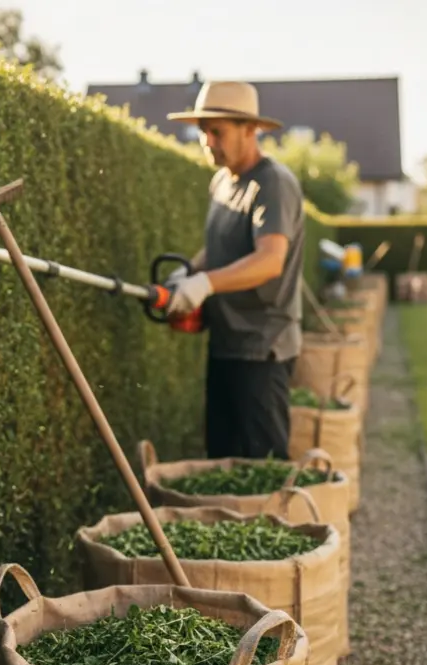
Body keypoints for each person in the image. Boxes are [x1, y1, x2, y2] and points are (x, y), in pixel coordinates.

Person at [162, 81, 307, 460]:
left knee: (261, 467)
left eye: (217, 131)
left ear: (250, 129)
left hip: (262, 349)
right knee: (221, 461)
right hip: (226, 344)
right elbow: (220, 247)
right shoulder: (222, 183)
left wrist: (204, 283)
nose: (208, 141)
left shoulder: (272, 183)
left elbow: (269, 259)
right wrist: (187, 274)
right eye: (203, 132)